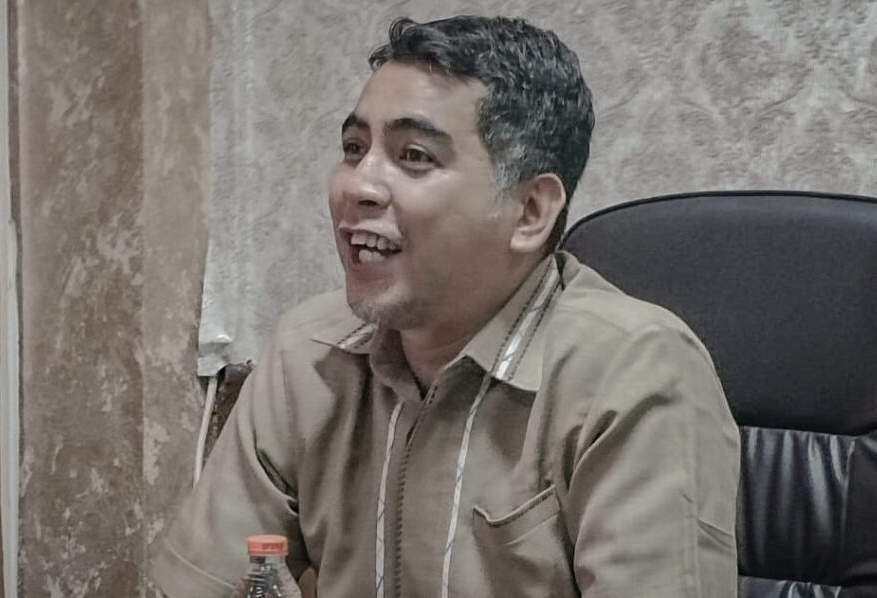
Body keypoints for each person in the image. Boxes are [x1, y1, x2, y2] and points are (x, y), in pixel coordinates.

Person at [152, 15, 740, 598]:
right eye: (354, 149)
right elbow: (202, 586)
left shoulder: (635, 374)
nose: (358, 185)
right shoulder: (307, 355)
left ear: (530, 211)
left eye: (414, 156)